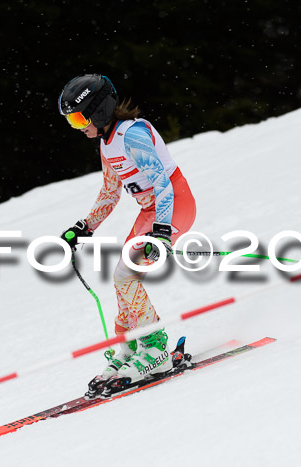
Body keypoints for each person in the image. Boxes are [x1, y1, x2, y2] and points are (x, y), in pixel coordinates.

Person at [58, 74, 197, 386]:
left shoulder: (132, 134)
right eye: (72, 123)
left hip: (174, 206)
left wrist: (161, 231)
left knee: (125, 275)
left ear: (100, 111)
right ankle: (132, 348)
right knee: (122, 277)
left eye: (80, 119)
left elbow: (162, 184)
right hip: (152, 213)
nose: (80, 128)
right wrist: (84, 227)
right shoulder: (107, 145)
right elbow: (110, 193)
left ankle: (156, 350)